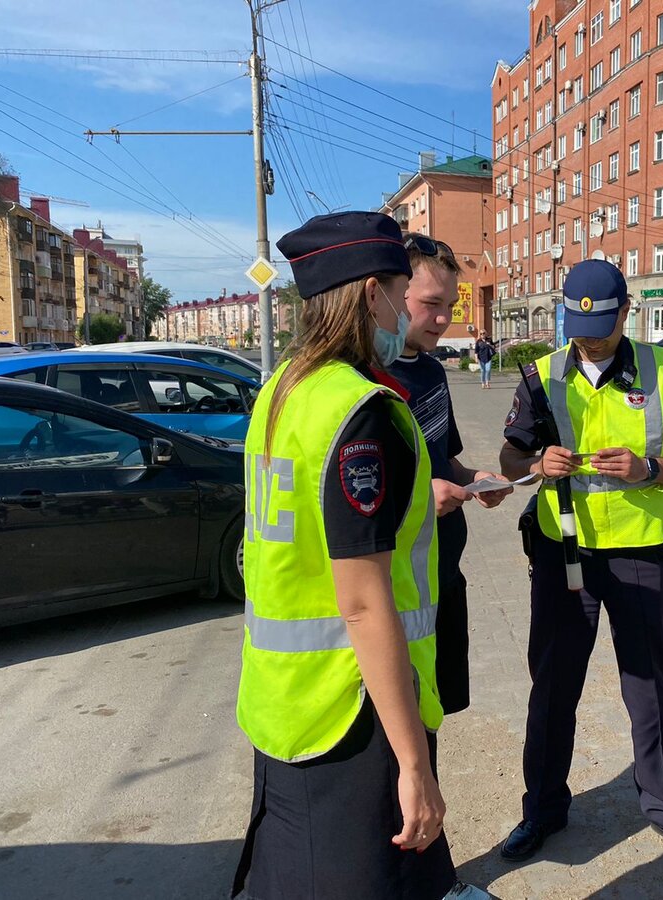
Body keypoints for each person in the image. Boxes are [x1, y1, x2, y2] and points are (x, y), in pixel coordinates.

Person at [232, 212, 456, 900]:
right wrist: (414, 763)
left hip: (282, 697)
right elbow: (363, 601)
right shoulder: (359, 411)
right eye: (400, 286)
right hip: (351, 707)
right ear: (371, 294)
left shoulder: (284, 388)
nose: (406, 302)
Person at [497, 259, 663, 867]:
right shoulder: (542, 376)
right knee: (554, 687)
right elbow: (510, 458)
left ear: (627, 313)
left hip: (640, 553)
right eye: (576, 326)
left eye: (599, 325)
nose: (586, 339)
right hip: (563, 551)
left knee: (650, 690)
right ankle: (540, 812)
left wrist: (654, 470)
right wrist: (537, 465)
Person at [390, 233, 512, 715]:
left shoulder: (433, 372)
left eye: (450, 303)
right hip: (397, 590)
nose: (444, 318)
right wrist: (420, 497)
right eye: (430, 304)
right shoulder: (363, 379)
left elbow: (447, 461)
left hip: (445, 576)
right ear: (391, 293)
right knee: (403, 726)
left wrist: (476, 478)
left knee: (436, 716)